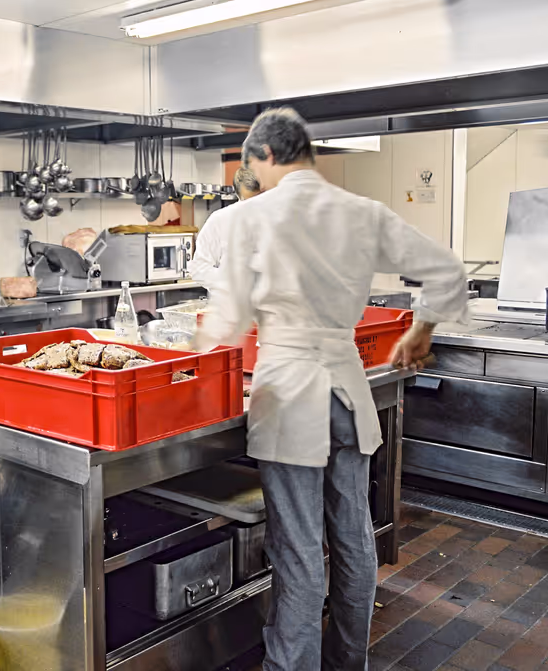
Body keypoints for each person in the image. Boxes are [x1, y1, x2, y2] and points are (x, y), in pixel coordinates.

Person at [198, 108, 468, 671]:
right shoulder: (359, 212)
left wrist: (192, 357)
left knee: (297, 551)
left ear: (267, 157)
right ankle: (348, 660)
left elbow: (226, 321)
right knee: (352, 535)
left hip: (290, 395)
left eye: (254, 166)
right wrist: (420, 330)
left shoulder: (252, 217)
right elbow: (445, 269)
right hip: (348, 391)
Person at [190, 168, 263, 288]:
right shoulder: (219, 221)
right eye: (248, 201)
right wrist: (230, 280)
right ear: (239, 196)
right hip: (230, 302)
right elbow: (199, 269)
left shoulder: (278, 219)